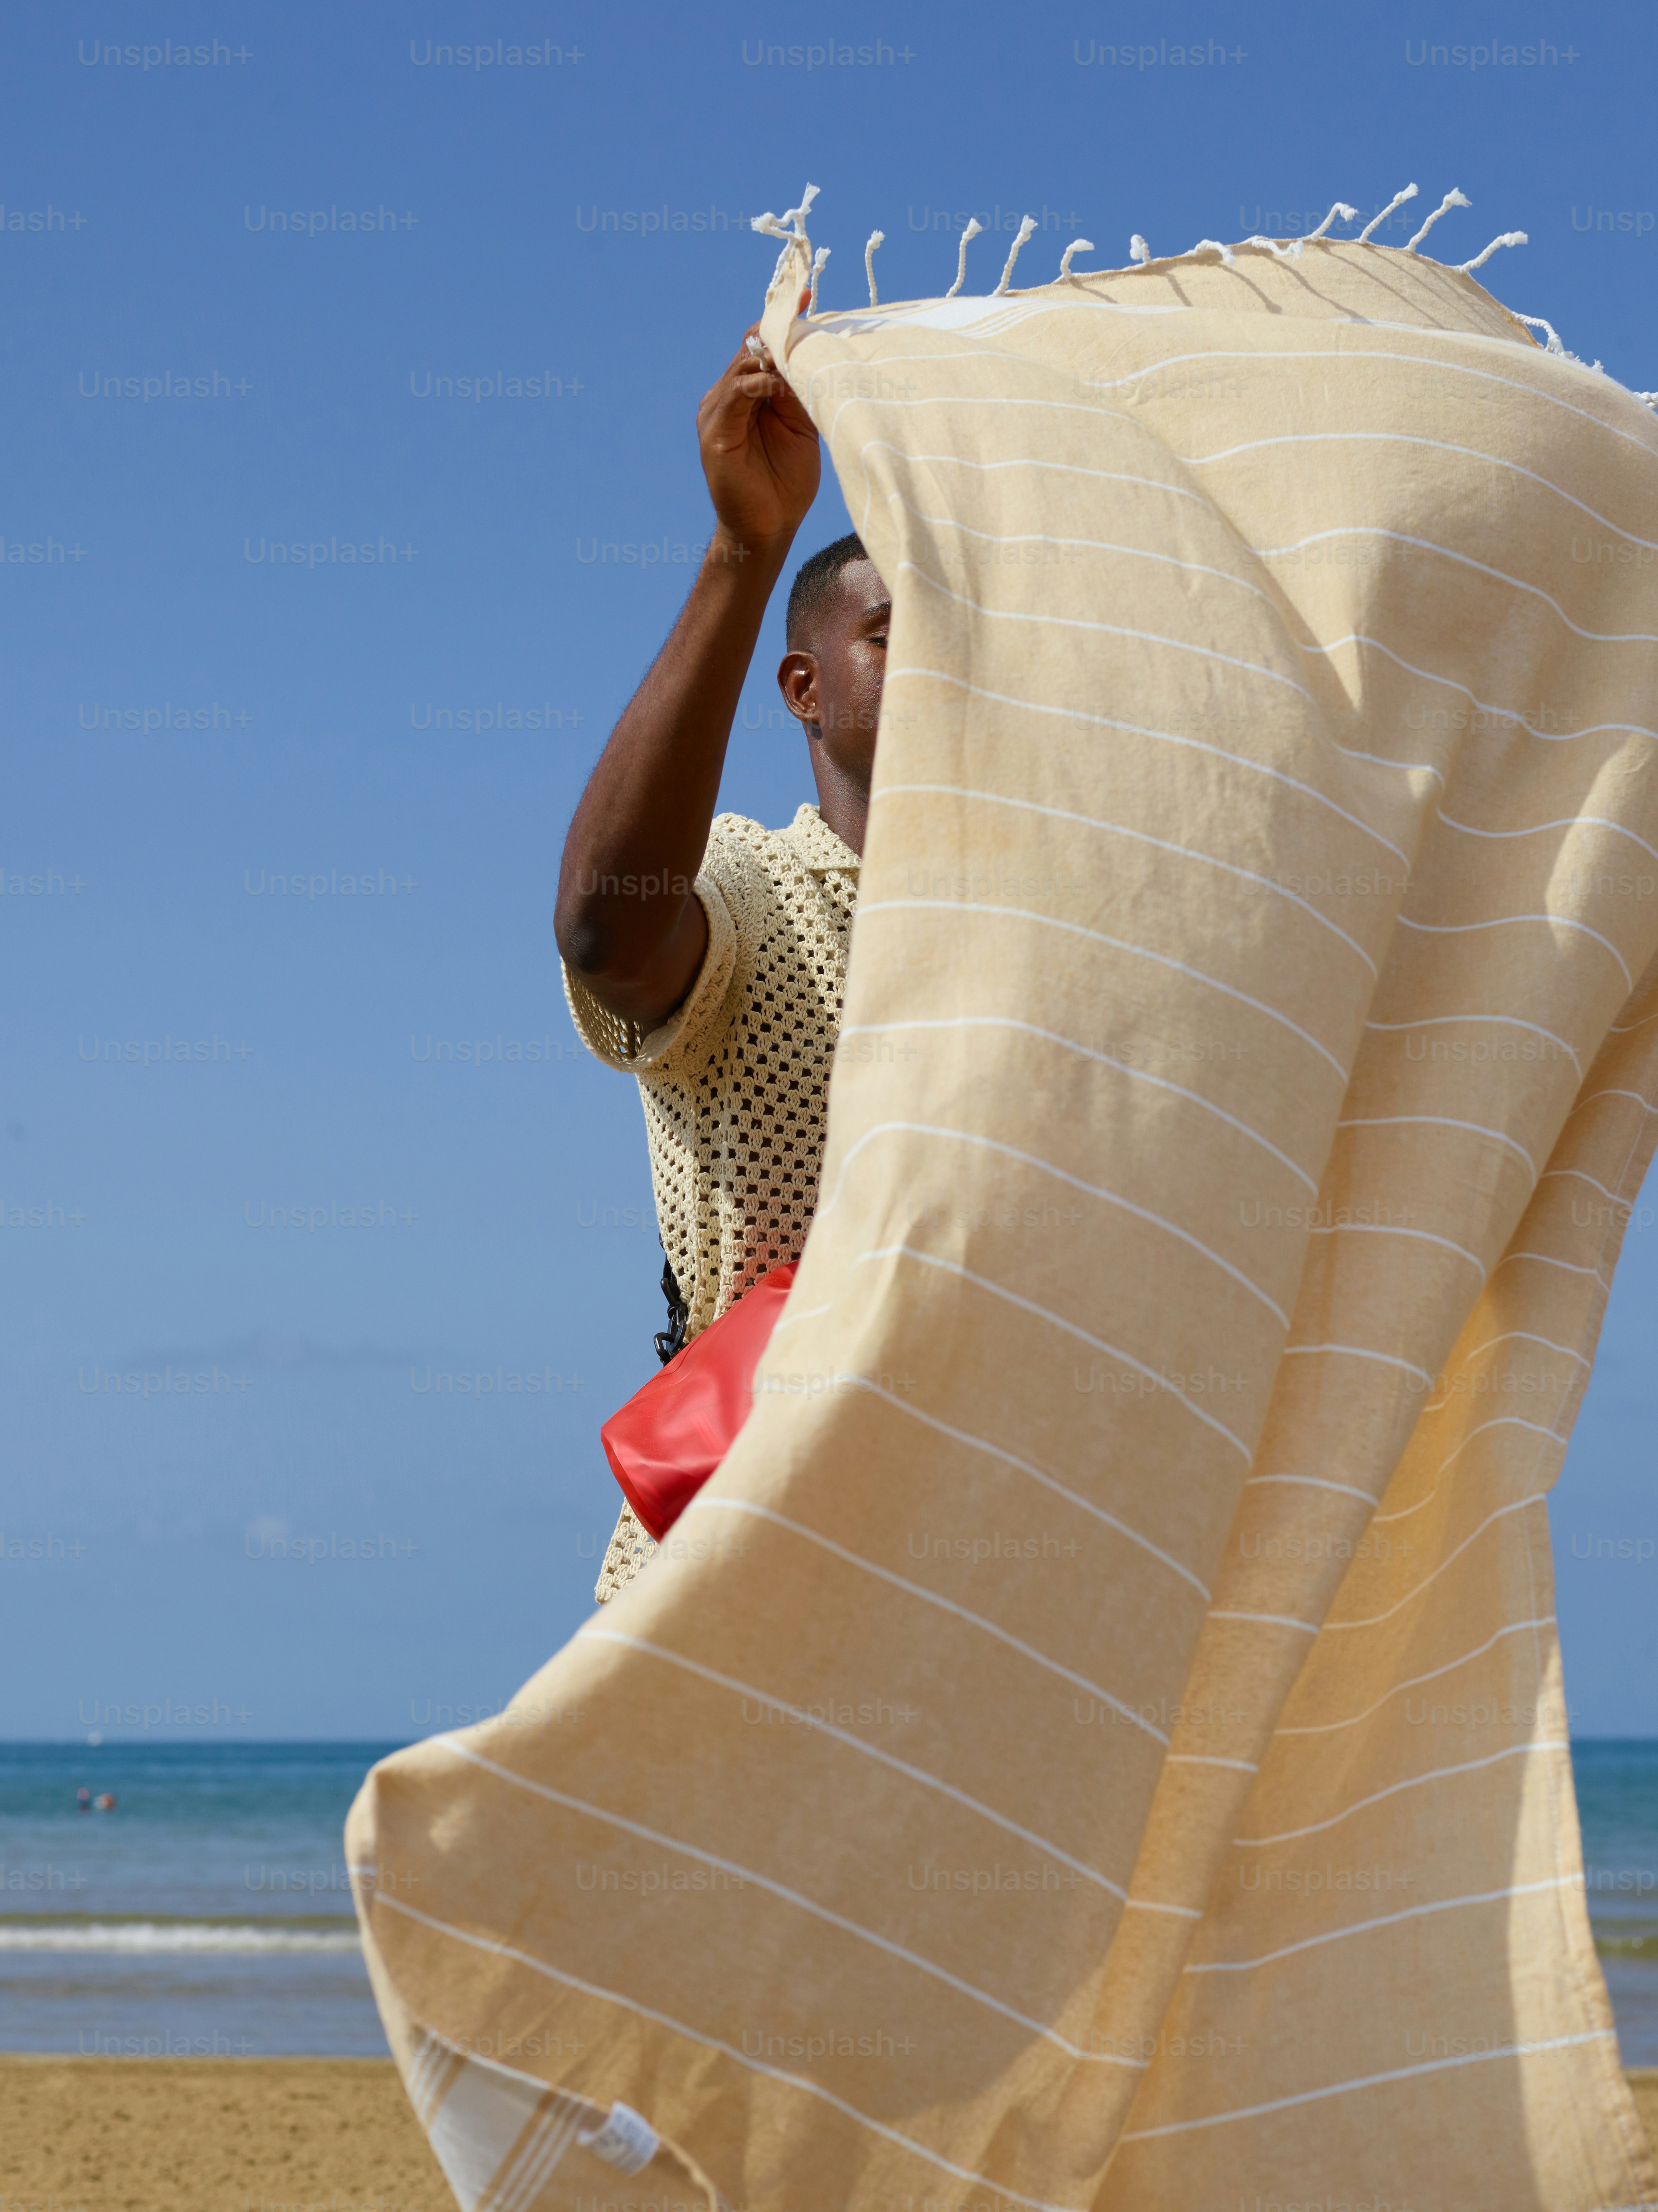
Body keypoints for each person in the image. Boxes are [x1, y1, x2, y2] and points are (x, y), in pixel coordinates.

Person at [555, 312, 889, 1603]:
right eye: (895, 636)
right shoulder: (759, 887)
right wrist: (746, 548)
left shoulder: (1046, 927)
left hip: (977, 1569)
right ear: (805, 688)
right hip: (735, 1557)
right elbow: (610, 931)